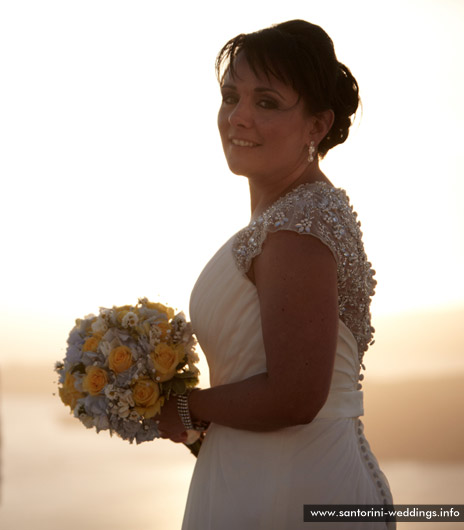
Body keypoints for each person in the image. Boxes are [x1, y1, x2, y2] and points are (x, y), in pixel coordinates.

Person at [155, 20, 394, 529]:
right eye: (230, 96)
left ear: (316, 124)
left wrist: (185, 406)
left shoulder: (296, 229)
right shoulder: (292, 214)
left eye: (266, 102)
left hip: (293, 491)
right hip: (265, 475)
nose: (237, 117)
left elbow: (296, 396)